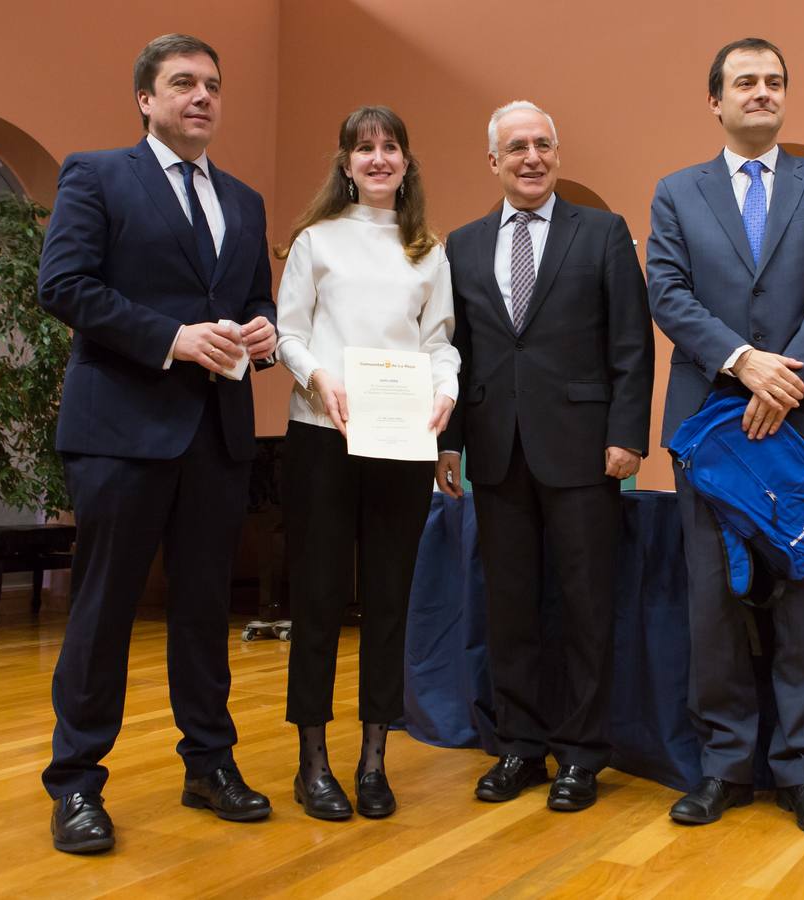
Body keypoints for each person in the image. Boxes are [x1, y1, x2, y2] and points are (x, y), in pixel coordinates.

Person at [38, 33, 278, 853]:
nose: (201, 96)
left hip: (216, 434)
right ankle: (75, 783)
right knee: (104, 612)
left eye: (212, 84)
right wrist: (172, 338)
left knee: (207, 613)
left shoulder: (244, 201)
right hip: (121, 430)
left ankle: (209, 764)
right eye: (182, 83)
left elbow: (256, 305)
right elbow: (63, 285)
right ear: (146, 98)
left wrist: (262, 333)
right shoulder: (97, 174)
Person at [646, 37, 804, 835]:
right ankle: (724, 768)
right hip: (710, 429)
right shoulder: (677, 193)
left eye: (775, 81)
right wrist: (745, 364)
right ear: (716, 100)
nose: (762, 93)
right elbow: (666, 292)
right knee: (713, 603)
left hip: (801, 427)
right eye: (746, 82)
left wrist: (785, 377)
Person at [436, 100, 653, 812]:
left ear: (557, 155)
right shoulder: (462, 246)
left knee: (587, 609)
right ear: (492, 162)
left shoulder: (603, 233)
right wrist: (449, 443)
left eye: (544, 145)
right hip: (496, 455)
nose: (532, 157)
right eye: (517, 147)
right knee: (509, 610)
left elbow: (631, 344)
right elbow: (454, 355)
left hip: (586, 453)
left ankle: (583, 756)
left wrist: (627, 434)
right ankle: (521, 748)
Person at [275, 106, 459, 820]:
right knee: (318, 600)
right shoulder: (314, 241)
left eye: (390, 148)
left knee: (389, 601)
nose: (378, 158)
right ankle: (312, 764)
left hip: (400, 439)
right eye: (364, 148)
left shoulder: (427, 249)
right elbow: (290, 335)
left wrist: (443, 390)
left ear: (406, 163)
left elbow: (440, 340)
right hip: (322, 433)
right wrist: (319, 378)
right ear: (345, 162)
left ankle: (374, 760)